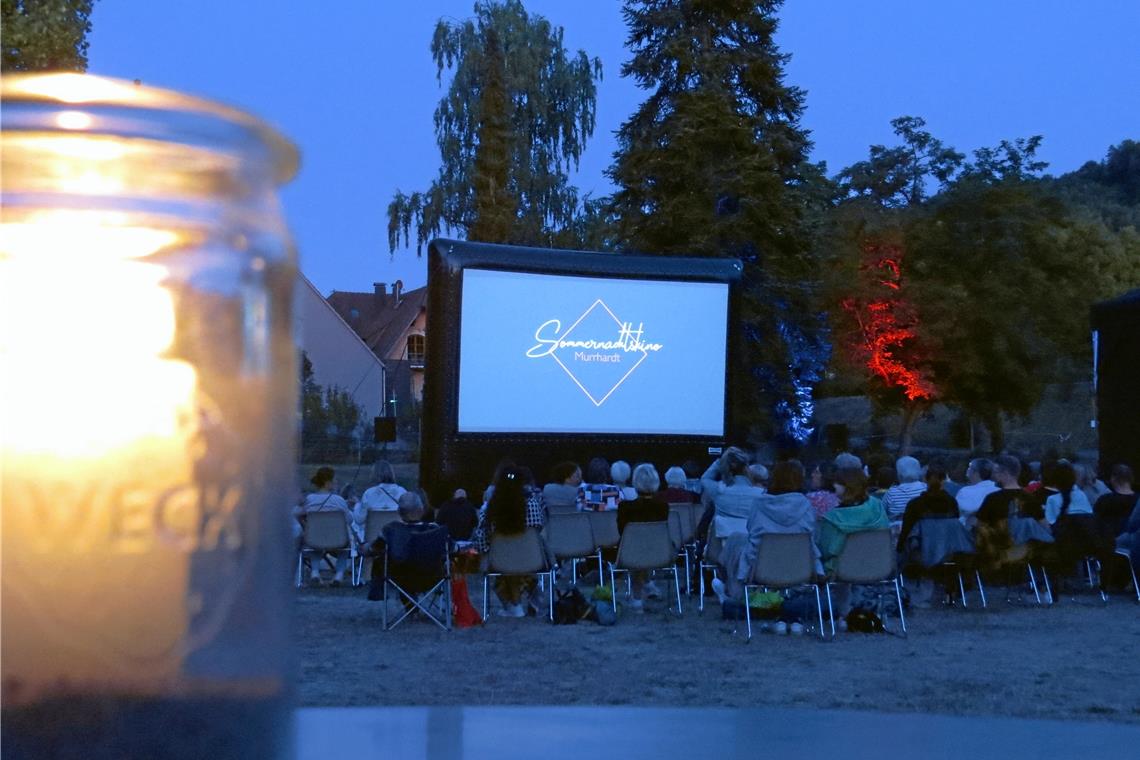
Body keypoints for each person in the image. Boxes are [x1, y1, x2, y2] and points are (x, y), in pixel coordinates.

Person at [717, 460, 819, 603]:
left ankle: (731, 591)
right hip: (799, 567)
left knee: (736, 541)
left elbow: (751, 531)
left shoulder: (759, 504)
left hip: (762, 567)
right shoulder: (806, 506)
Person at [472, 465, 547, 617]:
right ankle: (524, 597)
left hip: (500, 561)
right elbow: (538, 532)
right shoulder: (532, 504)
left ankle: (513, 604)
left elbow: (481, 537)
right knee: (517, 566)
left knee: (503, 568)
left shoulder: (489, 510)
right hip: (529, 559)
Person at [366, 492, 444, 602]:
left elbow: (374, 549)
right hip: (432, 578)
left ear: (399, 512)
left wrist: (365, 549)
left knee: (384, 558)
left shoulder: (391, 530)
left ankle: (378, 592)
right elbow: (453, 548)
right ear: (421, 510)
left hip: (400, 579)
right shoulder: (435, 530)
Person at [616, 464, 670, 612]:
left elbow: (622, 531)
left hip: (632, 552)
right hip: (658, 552)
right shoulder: (663, 507)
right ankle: (647, 582)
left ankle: (637, 597)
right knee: (641, 546)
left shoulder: (625, 507)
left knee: (635, 547)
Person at [816, 467, 889, 573]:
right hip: (879, 566)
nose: (833, 485)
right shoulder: (877, 507)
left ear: (846, 485)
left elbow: (825, 551)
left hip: (843, 570)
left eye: (837, 482)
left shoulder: (832, 518)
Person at [294, 466, 355, 586]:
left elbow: (298, 513)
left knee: (315, 542)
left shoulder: (310, 499)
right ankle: (339, 575)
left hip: (314, 539)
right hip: (338, 540)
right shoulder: (339, 500)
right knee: (345, 546)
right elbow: (349, 520)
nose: (337, 483)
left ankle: (315, 572)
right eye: (335, 481)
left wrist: (304, 525)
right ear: (328, 483)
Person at [699, 447, 764, 541]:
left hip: (720, 550)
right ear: (746, 467)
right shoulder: (761, 494)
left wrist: (720, 461)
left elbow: (705, 478)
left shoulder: (718, 490)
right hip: (750, 549)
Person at [897, 462, 960, 553]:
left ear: (924, 480)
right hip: (947, 550)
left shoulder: (914, 504)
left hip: (921, 553)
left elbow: (906, 531)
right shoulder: (952, 503)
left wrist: (899, 549)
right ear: (944, 480)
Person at [1093, 464, 1137, 539]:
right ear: (1131, 479)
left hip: (1108, 542)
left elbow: (1095, 524)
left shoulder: (1105, 500)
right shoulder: (1138, 501)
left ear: (1113, 478)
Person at [955, 458, 999, 526]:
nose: (967, 469)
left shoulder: (965, 491)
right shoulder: (999, 489)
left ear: (976, 472)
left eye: (969, 467)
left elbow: (958, 512)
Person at [882, 456, 927, 521]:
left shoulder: (891, 492)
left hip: (897, 529)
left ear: (899, 472)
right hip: (920, 528)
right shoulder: (926, 488)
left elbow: (882, 513)